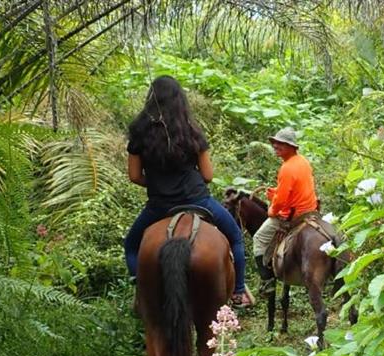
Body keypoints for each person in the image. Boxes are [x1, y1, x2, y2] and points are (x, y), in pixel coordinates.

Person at [124, 75, 252, 307]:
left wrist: (157, 184)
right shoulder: (191, 130)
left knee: (131, 245)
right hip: (198, 200)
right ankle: (239, 291)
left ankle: (141, 287)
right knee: (235, 237)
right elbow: (208, 176)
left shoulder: (139, 133)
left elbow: (134, 176)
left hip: (159, 206)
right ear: (179, 100)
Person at [253, 127, 318, 290]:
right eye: (275, 143)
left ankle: (267, 282)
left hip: (293, 216)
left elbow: (280, 203)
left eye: (281, 143)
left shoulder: (287, 168)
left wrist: (271, 211)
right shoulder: (303, 161)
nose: (275, 146)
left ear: (291, 147)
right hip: (310, 212)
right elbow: (294, 189)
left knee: (258, 239)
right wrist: (275, 192)